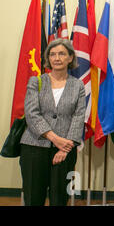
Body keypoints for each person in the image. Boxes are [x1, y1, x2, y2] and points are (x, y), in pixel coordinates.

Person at [20, 38, 86, 206]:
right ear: (48, 58)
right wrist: (56, 140)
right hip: (34, 147)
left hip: (65, 150)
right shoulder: (36, 81)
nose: (57, 58)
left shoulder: (77, 85)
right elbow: (32, 114)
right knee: (33, 197)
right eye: (52, 54)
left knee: (60, 198)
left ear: (70, 58)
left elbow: (78, 117)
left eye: (62, 54)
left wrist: (65, 147)